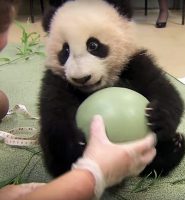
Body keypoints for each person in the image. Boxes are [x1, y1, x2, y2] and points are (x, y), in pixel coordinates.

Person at [0, 1, 157, 199]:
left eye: (4, 28)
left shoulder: (136, 62)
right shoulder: (57, 80)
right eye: (65, 51)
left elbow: (165, 100)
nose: (78, 71)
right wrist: (93, 174)